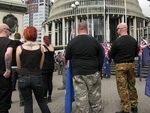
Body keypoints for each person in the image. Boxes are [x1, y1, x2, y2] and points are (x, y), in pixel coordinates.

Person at [65, 22, 104, 113]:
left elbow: (68, 57)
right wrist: (99, 70)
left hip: (78, 74)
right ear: (87, 29)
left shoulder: (72, 42)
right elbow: (101, 57)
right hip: (93, 72)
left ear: (78, 29)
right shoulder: (95, 41)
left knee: (81, 102)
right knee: (95, 101)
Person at [16, 26, 51, 113]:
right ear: (35, 35)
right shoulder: (41, 48)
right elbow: (40, 66)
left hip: (23, 78)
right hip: (37, 77)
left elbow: (19, 66)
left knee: (28, 103)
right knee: (41, 101)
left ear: (25, 35)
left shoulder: (19, 48)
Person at [110, 23, 139, 113]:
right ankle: (134, 106)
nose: (117, 30)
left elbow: (111, 54)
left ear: (122, 29)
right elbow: (136, 53)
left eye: (117, 28)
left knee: (122, 88)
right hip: (131, 65)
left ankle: (125, 109)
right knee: (132, 86)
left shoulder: (116, 42)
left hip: (120, 66)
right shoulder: (133, 40)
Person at [0, 23, 13, 113]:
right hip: (3, 76)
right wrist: (7, 69)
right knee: (4, 103)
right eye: (9, 30)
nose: (9, 32)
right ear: (5, 30)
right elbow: (8, 54)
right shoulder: (9, 42)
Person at [11, 33, 24, 106]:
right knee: (20, 84)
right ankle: (21, 101)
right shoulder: (22, 45)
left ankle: (9, 99)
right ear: (20, 37)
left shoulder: (10, 44)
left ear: (14, 37)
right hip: (20, 67)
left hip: (12, 66)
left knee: (10, 84)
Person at [42, 36, 55, 103]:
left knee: (44, 82)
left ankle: (44, 97)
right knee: (50, 81)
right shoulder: (52, 47)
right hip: (51, 66)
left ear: (44, 40)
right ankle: (50, 96)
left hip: (44, 67)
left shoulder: (42, 47)